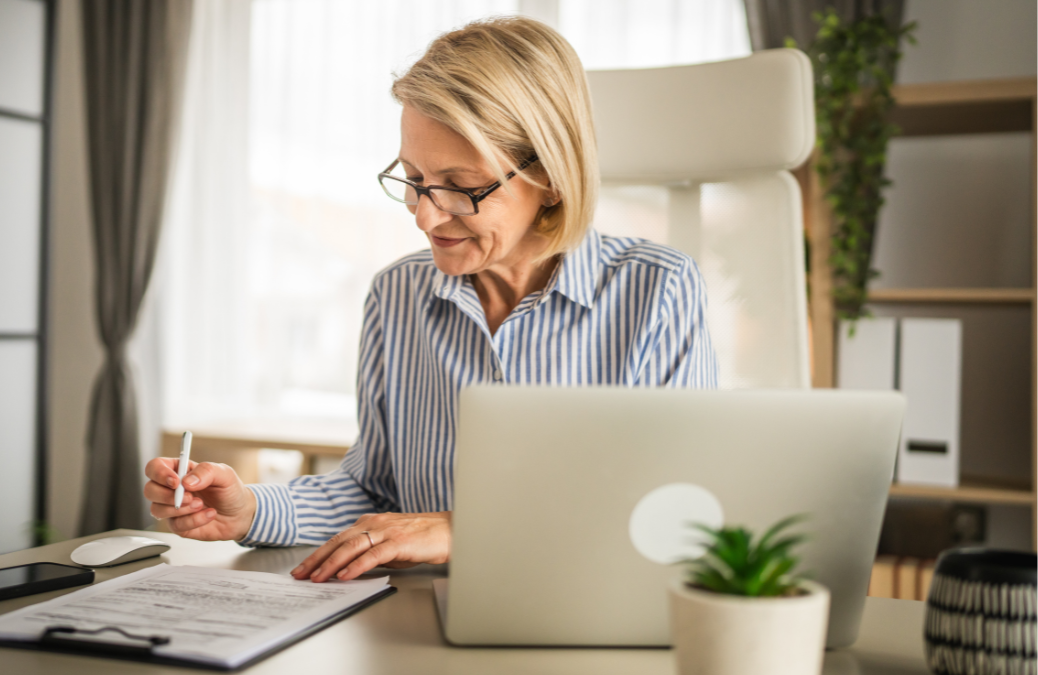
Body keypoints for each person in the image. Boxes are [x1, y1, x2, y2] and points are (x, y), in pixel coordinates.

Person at [144, 16, 717, 583]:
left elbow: (674, 512)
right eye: (414, 179)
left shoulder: (657, 291)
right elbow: (374, 491)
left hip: (583, 616)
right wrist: (250, 507)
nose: (424, 215)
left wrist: (463, 531)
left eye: (461, 187)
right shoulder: (397, 293)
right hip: (412, 618)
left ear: (552, 177)